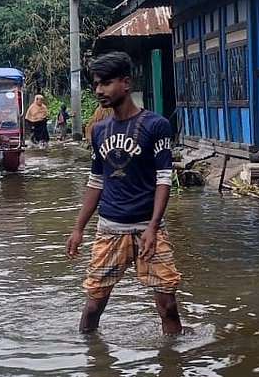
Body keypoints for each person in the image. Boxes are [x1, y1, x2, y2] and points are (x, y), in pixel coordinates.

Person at [65, 51, 182, 336]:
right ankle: (92, 365)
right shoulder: (99, 130)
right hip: (109, 230)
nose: (99, 90)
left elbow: (164, 179)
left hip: (148, 229)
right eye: (95, 84)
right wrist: (78, 228)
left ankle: (173, 368)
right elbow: (95, 181)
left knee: (167, 306)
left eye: (106, 83)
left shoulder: (156, 125)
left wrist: (153, 227)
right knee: (93, 306)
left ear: (126, 83)